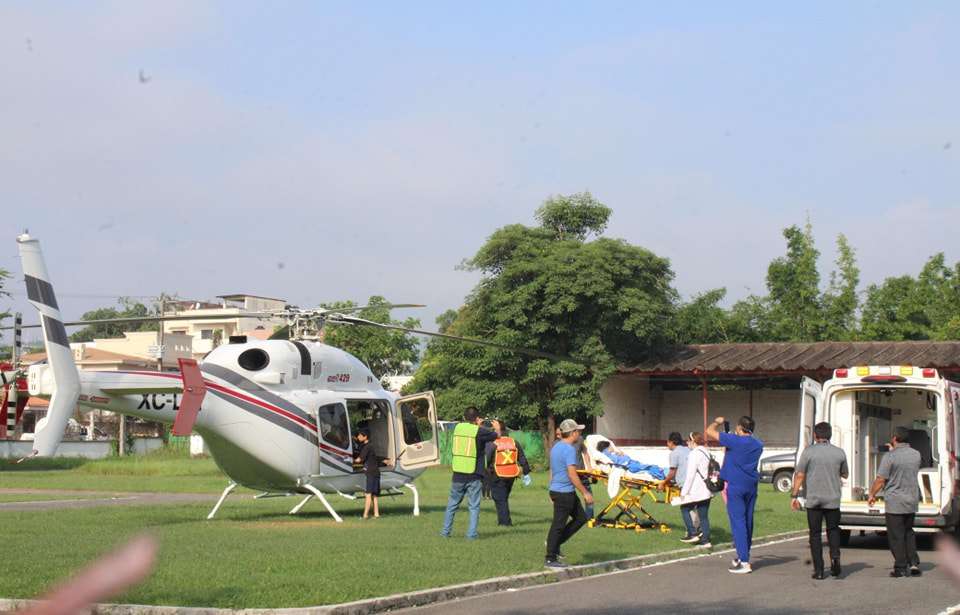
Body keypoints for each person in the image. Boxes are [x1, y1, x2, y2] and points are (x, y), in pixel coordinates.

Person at [706, 415, 764, 574]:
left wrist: (717, 422)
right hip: (751, 484)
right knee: (747, 521)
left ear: (739, 428)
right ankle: (743, 554)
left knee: (738, 522)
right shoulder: (758, 444)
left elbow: (709, 431)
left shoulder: (734, 440)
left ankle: (744, 562)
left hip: (736, 485)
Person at [791, 422, 849, 579]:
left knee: (815, 534)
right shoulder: (839, 453)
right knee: (833, 530)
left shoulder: (808, 452)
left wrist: (794, 495)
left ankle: (819, 570)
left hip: (814, 499)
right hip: (833, 499)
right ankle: (835, 557)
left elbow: (800, 475)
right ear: (830, 435)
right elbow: (845, 474)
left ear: (815, 436)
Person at [868, 427, 922, 578]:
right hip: (911, 499)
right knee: (908, 532)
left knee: (896, 535)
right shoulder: (916, 455)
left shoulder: (889, 457)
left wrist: (872, 494)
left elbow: (881, 479)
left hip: (895, 501)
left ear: (894, 438)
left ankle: (900, 567)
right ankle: (913, 563)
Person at [440, 407, 500, 539]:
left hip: (458, 473)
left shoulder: (458, 428)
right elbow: (496, 436)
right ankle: (471, 535)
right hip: (474, 474)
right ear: (477, 418)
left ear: (465, 417)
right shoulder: (479, 431)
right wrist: (497, 427)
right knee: (473, 507)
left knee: (452, 505)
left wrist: (476, 425)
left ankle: (445, 532)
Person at [545, 419, 594, 569]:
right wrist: (585, 492)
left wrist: (550, 488)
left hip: (560, 491)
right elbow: (572, 475)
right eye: (578, 431)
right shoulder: (569, 449)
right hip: (563, 492)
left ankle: (556, 544)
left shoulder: (556, 447)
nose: (579, 434)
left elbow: (553, 470)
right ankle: (550, 558)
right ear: (572, 433)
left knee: (580, 518)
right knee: (558, 525)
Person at [484, 421, 532, 526]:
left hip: (497, 474)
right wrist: (526, 472)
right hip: (511, 475)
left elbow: (486, 459)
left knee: (500, 499)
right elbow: (522, 458)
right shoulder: (514, 442)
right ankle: (502, 521)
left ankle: (505, 523)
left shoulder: (493, 443)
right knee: (503, 498)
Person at [680, 431, 713, 548]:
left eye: (688, 441)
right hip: (708, 489)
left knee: (684, 508)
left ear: (693, 441)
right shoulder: (706, 452)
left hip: (697, 490)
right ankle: (706, 541)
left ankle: (692, 533)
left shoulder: (694, 454)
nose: (687, 443)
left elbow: (690, 475)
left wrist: (684, 493)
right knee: (703, 516)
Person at [663, 432, 693, 542]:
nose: (667, 444)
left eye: (668, 442)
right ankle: (697, 531)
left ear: (671, 442)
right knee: (695, 509)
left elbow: (672, 472)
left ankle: (691, 532)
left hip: (685, 485)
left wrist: (663, 482)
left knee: (685, 508)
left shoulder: (674, 453)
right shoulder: (688, 450)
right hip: (694, 483)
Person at [354, 429, 391, 519]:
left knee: (368, 494)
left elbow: (360, 459)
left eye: (359, 435)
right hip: (376, 472)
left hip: (370, 473)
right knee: (374, 495)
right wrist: (384, 460)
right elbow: (374, 458)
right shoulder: (371, 446)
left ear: (365, 437)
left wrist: (347, 460)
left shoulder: (366, 447)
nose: (358, 437)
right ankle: (376, 514)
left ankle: (365, 515)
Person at [595, 440, 667, 479]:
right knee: (650, 468)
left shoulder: (612, 455)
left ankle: (664, 472)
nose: (612, 447)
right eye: (610, 446)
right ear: (606, 448)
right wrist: (621, 453)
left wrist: (620, 453)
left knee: (649, 466)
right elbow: (623, 461)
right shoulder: (610, 457)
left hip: (632, 464)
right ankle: (664, 474)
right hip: (630, 467)